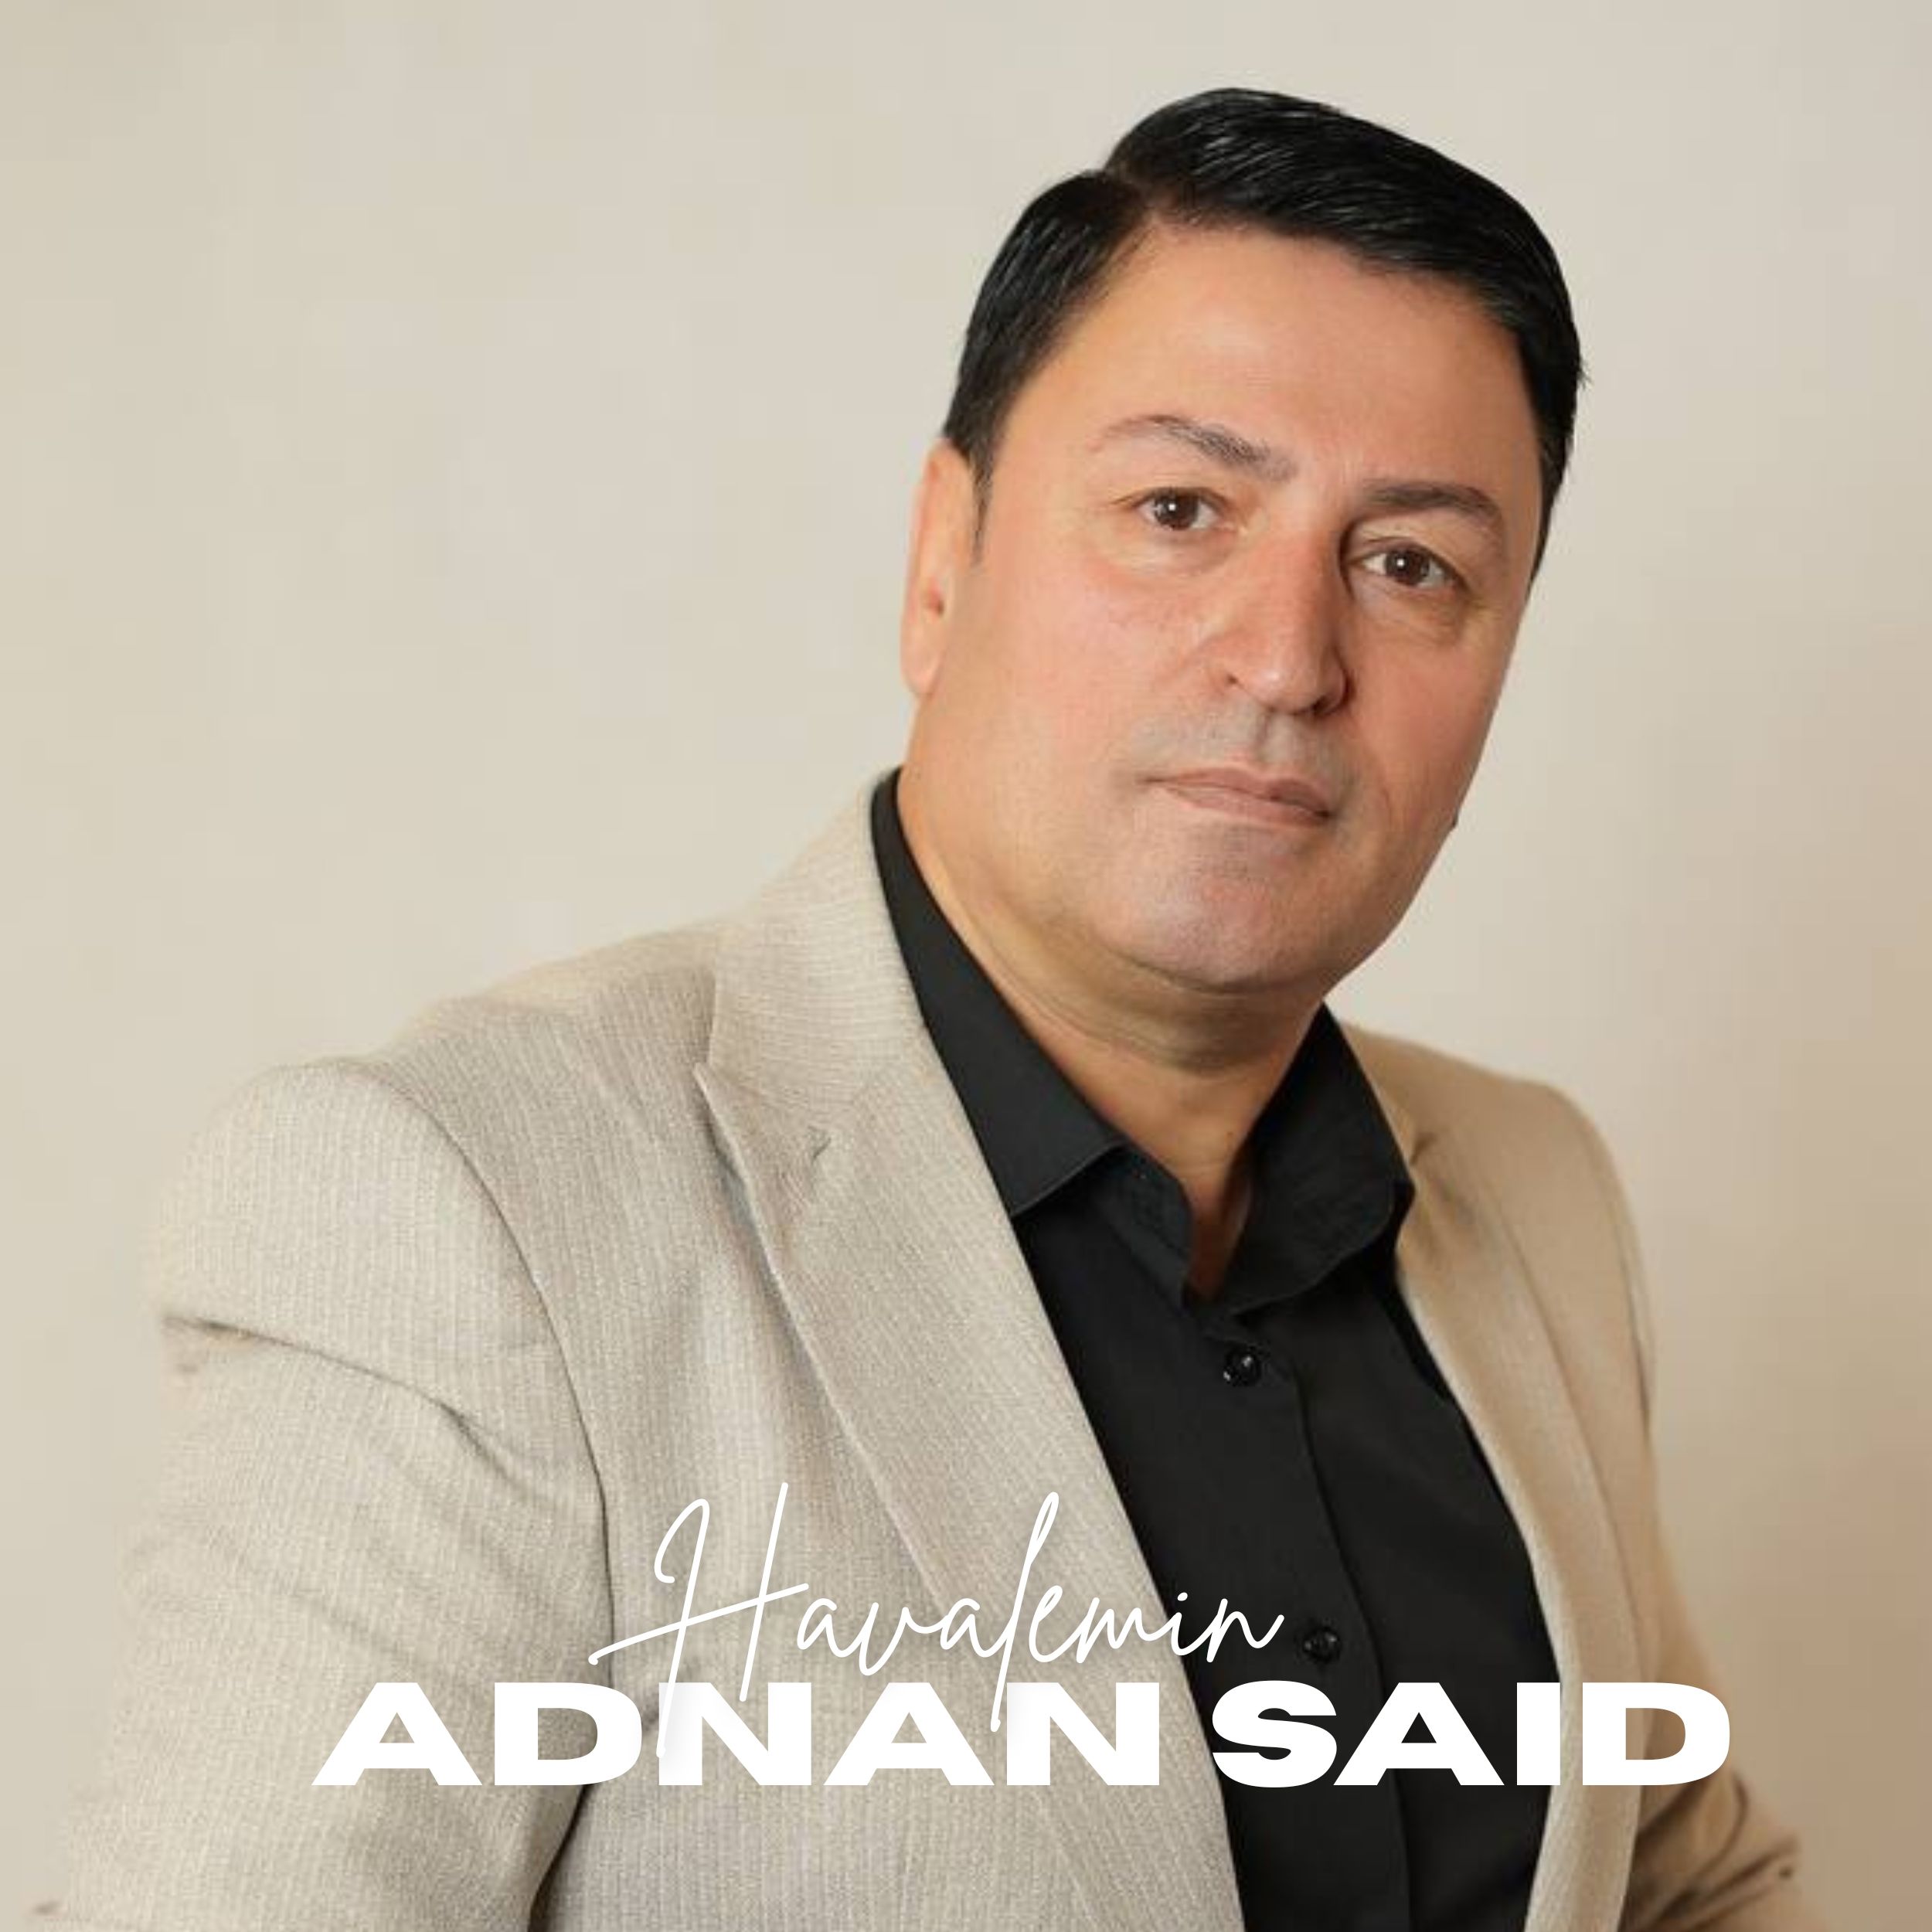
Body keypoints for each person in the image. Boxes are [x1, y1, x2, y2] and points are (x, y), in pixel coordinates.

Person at [49, 88, 1823, 1932]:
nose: (1289, 656)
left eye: (1408, 564)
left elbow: (1681, 1876)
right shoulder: (463, 1205)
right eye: (1178, 509)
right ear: (940, 560)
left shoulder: (1531, 1195)